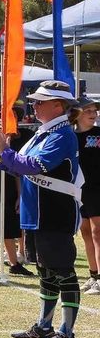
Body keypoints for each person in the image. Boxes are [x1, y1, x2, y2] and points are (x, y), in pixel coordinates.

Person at [0, 81, 83, 338]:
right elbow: (24, 168)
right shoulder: (44, 133)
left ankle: (67, 332)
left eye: (40, 101)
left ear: (58, 105)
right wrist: (1, 159)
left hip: (54, 212)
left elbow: (36, 165)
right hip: (37, 212)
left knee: (63, 271)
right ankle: (44, 325)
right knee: (45, 271)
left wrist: (6, 153)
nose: (34, 105)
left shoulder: (62, 135)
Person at [0, 112, 33, 278]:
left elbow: (17, 174)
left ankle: (14, 263)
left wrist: (19, 196)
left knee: (10, 231)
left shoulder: (11, 153)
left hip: (10, 195)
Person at [77, 98, 100, 294]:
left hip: (98, 189)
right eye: (88, 111)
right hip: (80, 191)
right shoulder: (70, 136)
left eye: (95, 110)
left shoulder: (98, 135)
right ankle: (93, 275)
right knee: (85, 232)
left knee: (97, 232)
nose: (93, 114)